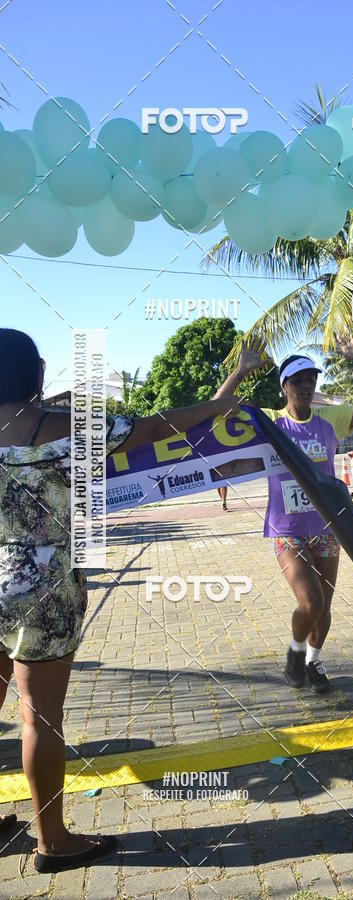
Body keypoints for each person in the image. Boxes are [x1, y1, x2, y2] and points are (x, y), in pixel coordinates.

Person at [0, 329, 243, 871]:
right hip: (43, 583)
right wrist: (227, 398)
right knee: (39, 718)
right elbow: (158, 426)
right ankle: (53, 844)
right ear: (36, 374)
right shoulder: (67, 427)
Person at [214, 335, 353, 694]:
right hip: (287, 528)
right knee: (309, 601)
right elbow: (217, 411)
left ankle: (313, 663)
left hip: (329, 526)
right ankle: (295, 653)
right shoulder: (269, 423)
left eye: (311, 378)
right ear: (284, 387)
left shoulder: (331, 419)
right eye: (298, 380)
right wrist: (240, 371)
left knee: (324, 605)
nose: (307, 385)